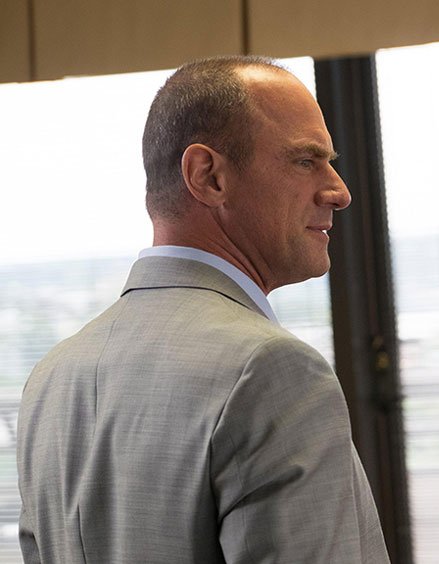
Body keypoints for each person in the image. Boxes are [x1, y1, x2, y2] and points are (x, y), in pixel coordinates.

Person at [17, 56, 391, 563]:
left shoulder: (52, 377)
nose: (339, 191)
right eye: (306, 161)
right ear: (208, 176)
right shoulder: (271, 371)